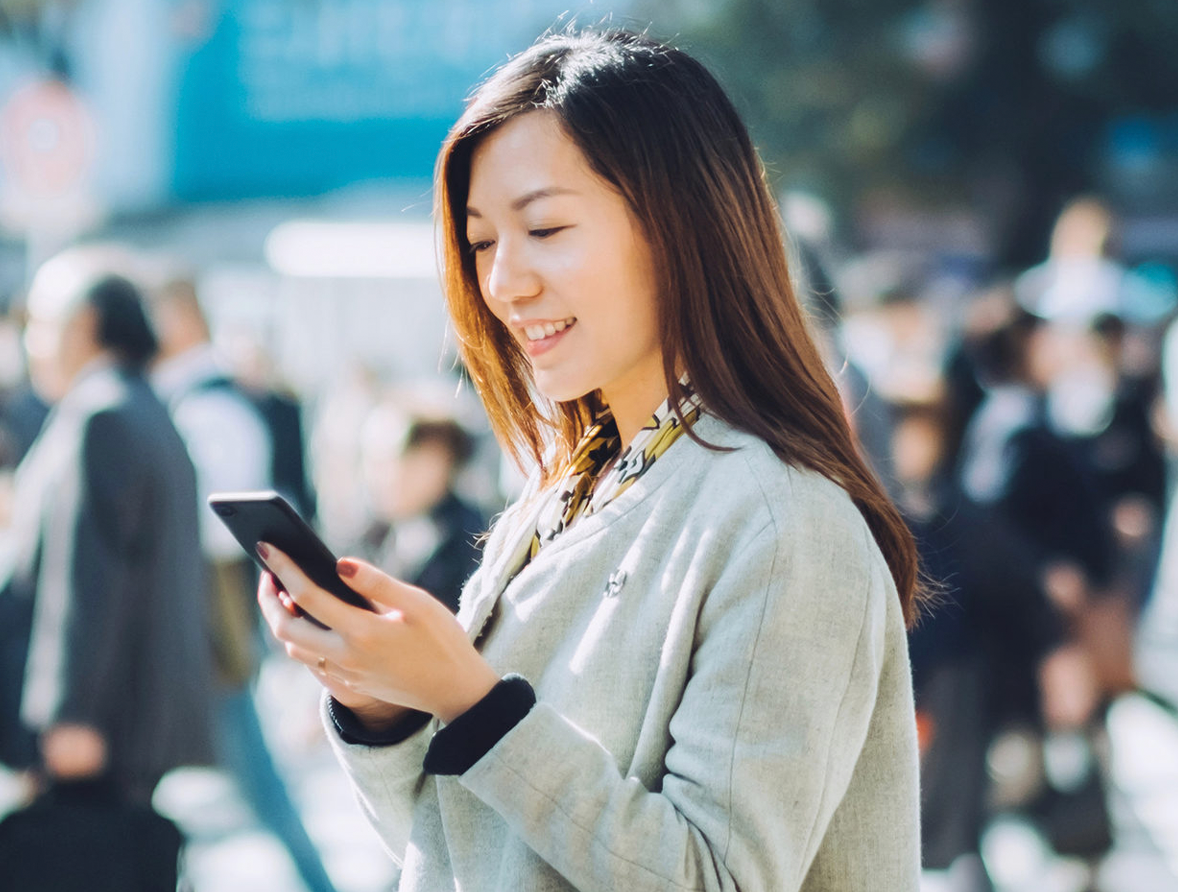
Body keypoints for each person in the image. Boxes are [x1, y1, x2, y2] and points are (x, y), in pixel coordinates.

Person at [256, 29, 924, 892]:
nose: (503, 283)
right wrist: (384, 705)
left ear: (681, 224)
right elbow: (455, 847)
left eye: (544, 228)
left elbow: (717, 878)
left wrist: (473, 701)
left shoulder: (780, 519)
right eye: (482, 241)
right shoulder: (561, 493)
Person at [147, 270, 339, 892]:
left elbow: (216, 526)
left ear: (177, 316)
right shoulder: (199, 394)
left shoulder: (208, 400)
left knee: (254, 777)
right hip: (200, 620)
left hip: (208, 623)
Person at [1, 247, 214, 804]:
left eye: (40, 325)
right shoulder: (142, 405)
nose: (32, 344)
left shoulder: (102, 415)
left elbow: (88, 575)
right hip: (131, 714)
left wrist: (72, 712)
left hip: (98, 725)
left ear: (85, 325)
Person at [357, 405, 487, 614]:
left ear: (436, 462)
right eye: (371, 462)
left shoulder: (475, 539)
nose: (376, 477)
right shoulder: (374, 532)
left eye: (388, 461)